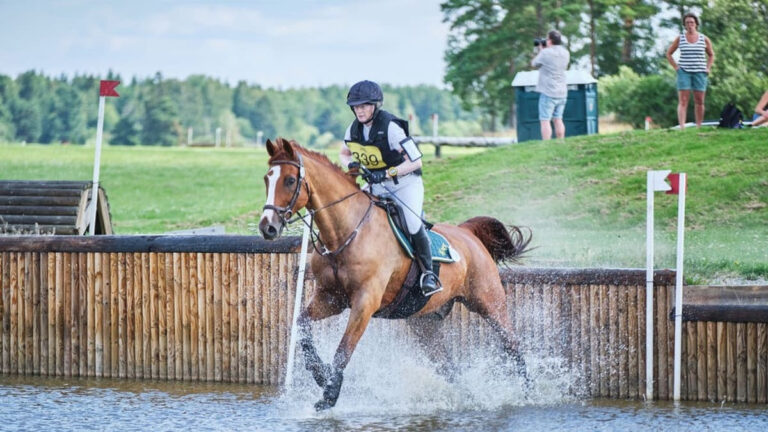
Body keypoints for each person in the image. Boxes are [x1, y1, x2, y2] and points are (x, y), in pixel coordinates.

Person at [339, 80, 441, 296]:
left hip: (405, 184)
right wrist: (352, 165)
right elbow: (344, 153)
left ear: (375, 106)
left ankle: (428, 274)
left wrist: (387, 173)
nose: (359, 110)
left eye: (364, 106)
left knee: (412, 223)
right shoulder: (353, 129)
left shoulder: (391, 127)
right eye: (356, 106)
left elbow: (416, 161)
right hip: (376, 186)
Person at [666, 12, 715, 129]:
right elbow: (668, 54)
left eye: (692, 22)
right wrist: (676, 67)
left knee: (699, 100)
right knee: (683, 100)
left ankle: (699, 125)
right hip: (684, 72)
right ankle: (682, 126)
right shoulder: (680, 38)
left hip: (700, 72)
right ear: (684, 25)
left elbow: (711, 55)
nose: (690, 25)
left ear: (696, 24)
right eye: (687, 23)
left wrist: (708, 68)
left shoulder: (704, 39)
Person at [531, 29, 570, 140]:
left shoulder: (545, 53)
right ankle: (560, 142)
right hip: (562, 91)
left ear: (550, 41)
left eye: (546, 38)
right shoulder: (565, 52)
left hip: (548, 91)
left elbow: (534, 63)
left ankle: (547, 144)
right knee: (558, 119)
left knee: (545, 120)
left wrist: (541, 50)